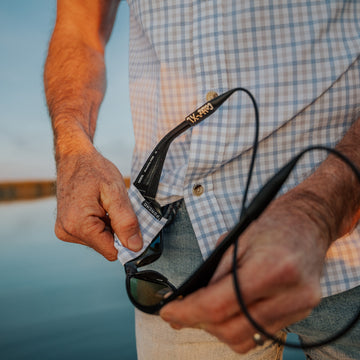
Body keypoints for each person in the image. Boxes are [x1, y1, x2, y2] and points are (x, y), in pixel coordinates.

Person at [44, 1, 360, 359]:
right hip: (173, 244)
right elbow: (79, 27)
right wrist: (73, 148)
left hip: (349, 239)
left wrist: (323, 206)